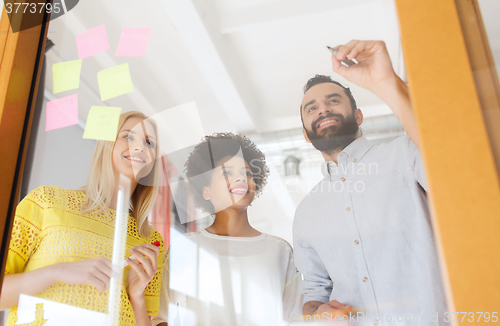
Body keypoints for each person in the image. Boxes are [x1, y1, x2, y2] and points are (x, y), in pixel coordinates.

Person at [293, 40, 448, 325]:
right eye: (311, 108)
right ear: (306, 134)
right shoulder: (305, 213)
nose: (323, 109)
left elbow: (449, 165)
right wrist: (315, 313)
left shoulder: (404, 154)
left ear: (359, 115)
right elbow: (314, 292)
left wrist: (384, 81)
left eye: (333, 100)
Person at [0, 111, 164, 326]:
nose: (140, 146)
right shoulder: (47, 201)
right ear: (107, 144)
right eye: (127, 136)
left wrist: (137, 297)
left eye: (149, 143)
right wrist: (56, 271)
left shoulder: (150, 241)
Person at [151, 133, 302, 326]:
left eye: (247, 173)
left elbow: (295, 318)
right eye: (227, 173)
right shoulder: (186, 248)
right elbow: (160, 317)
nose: (241, 179)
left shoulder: (280, 251)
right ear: (206, 190)